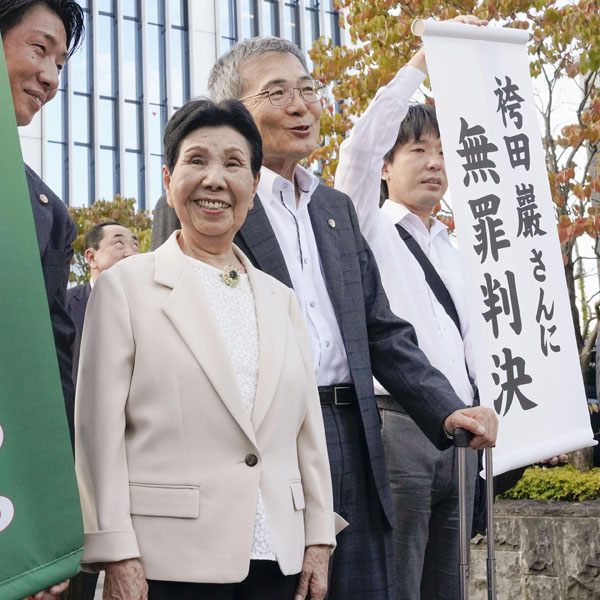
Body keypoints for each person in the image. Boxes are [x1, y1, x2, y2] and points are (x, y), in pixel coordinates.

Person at [151, 37, 498, 599]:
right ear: (235, 111)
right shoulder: (207, 202)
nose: (301, 105)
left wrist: (445, 407)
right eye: (277, 92)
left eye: (308, 89)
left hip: (355, 434)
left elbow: (378, 328)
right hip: (264, 443)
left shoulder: (334, 209)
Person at [75, 98, 345, 600]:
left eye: (234, 164)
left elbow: (307, 433)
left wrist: (318, 538)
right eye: (196, 160)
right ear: (168, 180)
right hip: (166, 560)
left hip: (277, 557)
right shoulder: (124, 288)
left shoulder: (280, 298)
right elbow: (98, 434)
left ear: (254, 185)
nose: (215, 180)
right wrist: (116, 550)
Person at [334, 19, 567, 597]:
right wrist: (420, 63)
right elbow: (356, 151)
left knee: (451, 584)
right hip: (398, 427)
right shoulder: (366, 226)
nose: (435, 163)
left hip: (463, 437)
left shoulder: (460, 248)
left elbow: (483, 347)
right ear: (386, 166)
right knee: (396, 583)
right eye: (418, 150)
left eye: (442, 152)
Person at [0, 1, 83, 598]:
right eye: (38, 49)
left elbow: (51, 373)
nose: (51, 77)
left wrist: (42, 531)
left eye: (60, 62)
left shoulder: (47, 214)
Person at [68, 221, 140, 384]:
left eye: (135, 245)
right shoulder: (66, 304)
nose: (131, 253)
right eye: (119, 243)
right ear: (91, 258)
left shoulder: (151, 307)